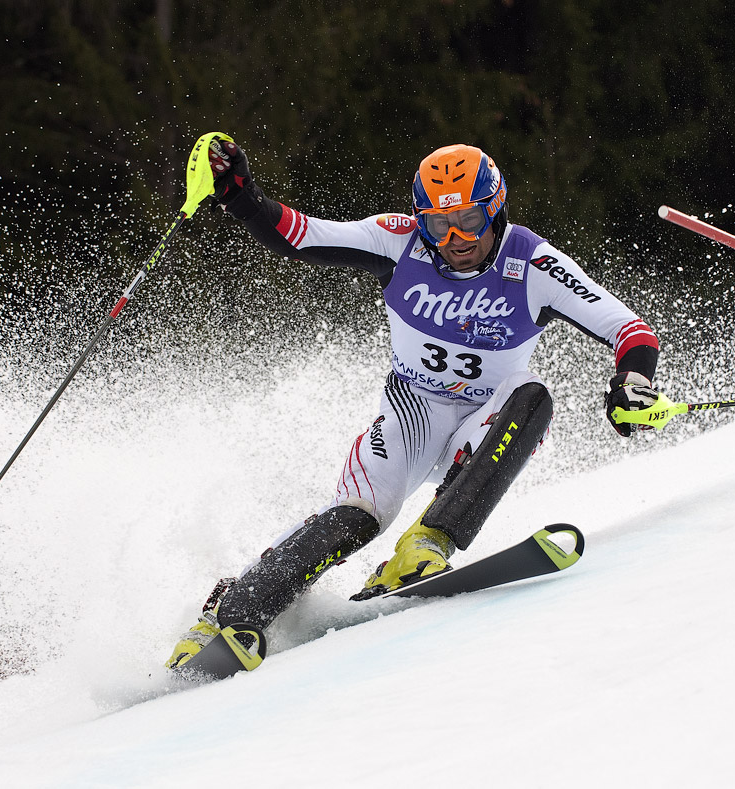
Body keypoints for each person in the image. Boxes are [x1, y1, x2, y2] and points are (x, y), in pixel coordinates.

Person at [166, 140, 661, 670]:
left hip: (483, 419)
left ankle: (425, 545)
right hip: (412, 410)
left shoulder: (533, 262)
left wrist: (632, 381)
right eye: (438, 222)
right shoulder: (398, 241)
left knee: (532, 397)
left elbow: (628, 329)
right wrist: (241, 195)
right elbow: (299, 235)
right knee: (357, 517)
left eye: (469, 220)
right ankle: (229, 614)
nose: (454, 239)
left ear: (495, 209)